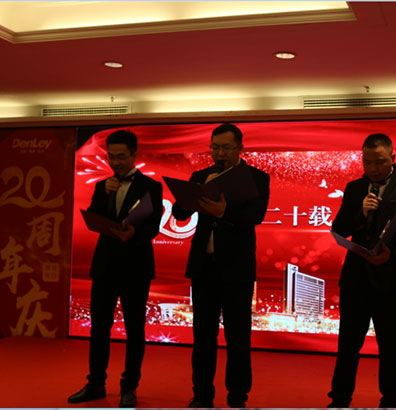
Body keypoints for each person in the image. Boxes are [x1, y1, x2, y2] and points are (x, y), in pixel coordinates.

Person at [172, 123, 270, 408]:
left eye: (226, 148)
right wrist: (199, 191)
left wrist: (224, 211)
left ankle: (237, 398)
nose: (220, 153)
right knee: (203, 337)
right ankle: (202, 395)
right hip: (204, 267)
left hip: (237, 269)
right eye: (215, 147)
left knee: (238, 338)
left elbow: (255, 216)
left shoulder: (257, 178)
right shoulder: (200, 176)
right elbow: (179, 213)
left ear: (240, 148)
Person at [327, 133, 396, 408]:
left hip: (391, 278)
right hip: (355, 278)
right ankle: (339, 399)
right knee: (347, 345)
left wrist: (391, 254)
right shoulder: (354, 188)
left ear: (393, 158)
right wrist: (360, 212)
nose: (373, 168)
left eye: (380, 161)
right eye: (367, 162)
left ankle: (392, 401)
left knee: (390, 346)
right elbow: (339, 228)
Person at [68, 129, 163, 408]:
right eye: (111, 156)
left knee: (135, 329)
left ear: (134, 155)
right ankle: (95, 383)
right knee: (99, 327)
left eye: (121, 156)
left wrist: (134, 233)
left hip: (136, 265)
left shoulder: (151, 186)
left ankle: (129, 387)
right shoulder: (102, 185)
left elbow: (153, 226)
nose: (116, 162)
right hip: (105, 264)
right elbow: (93, 218)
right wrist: (105, 196)